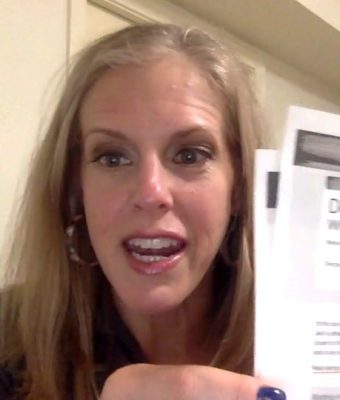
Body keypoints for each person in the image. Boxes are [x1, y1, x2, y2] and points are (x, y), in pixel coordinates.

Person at [0, 23, 285, 400]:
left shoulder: (297, 342)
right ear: (75, 188)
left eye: (190, 155)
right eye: (113, 158)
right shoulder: (8, 339)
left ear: (239, 186)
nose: (151, 193)